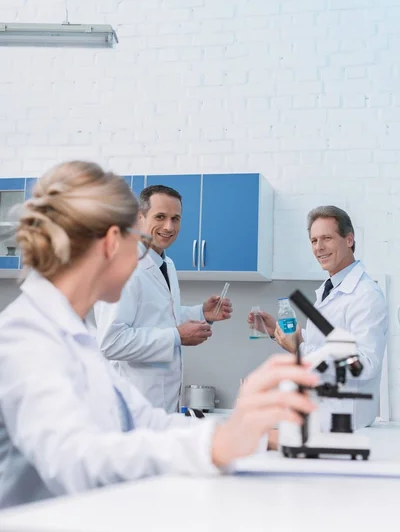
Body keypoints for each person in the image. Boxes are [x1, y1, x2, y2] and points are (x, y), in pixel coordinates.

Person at [0, 161, 318, 509]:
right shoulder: (26, 339)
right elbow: (76, 460)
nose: (143, 253)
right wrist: (214, 446)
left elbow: (144, 420)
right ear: (111, 243)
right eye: (137, 241)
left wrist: (252, 435)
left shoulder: (75, 333)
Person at [94, 184, 232, 413]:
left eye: (175, 218)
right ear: (139, 219)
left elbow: (157, 316)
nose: (169, 227)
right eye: (160, 217)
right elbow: (111, 341)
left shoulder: (165, 264)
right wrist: (177, 336)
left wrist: (200, 313)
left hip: (162, 408)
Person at [249, 205, 388, 431]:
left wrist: (300, 348)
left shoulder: (365, 295)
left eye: (327, 238)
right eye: (314, 241)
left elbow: (364, 364)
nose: (319, 248)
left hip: (346, 423)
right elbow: (323, 343)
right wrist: (277, 331)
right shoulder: (330, 288)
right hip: (321, 414)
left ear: (349, 239)